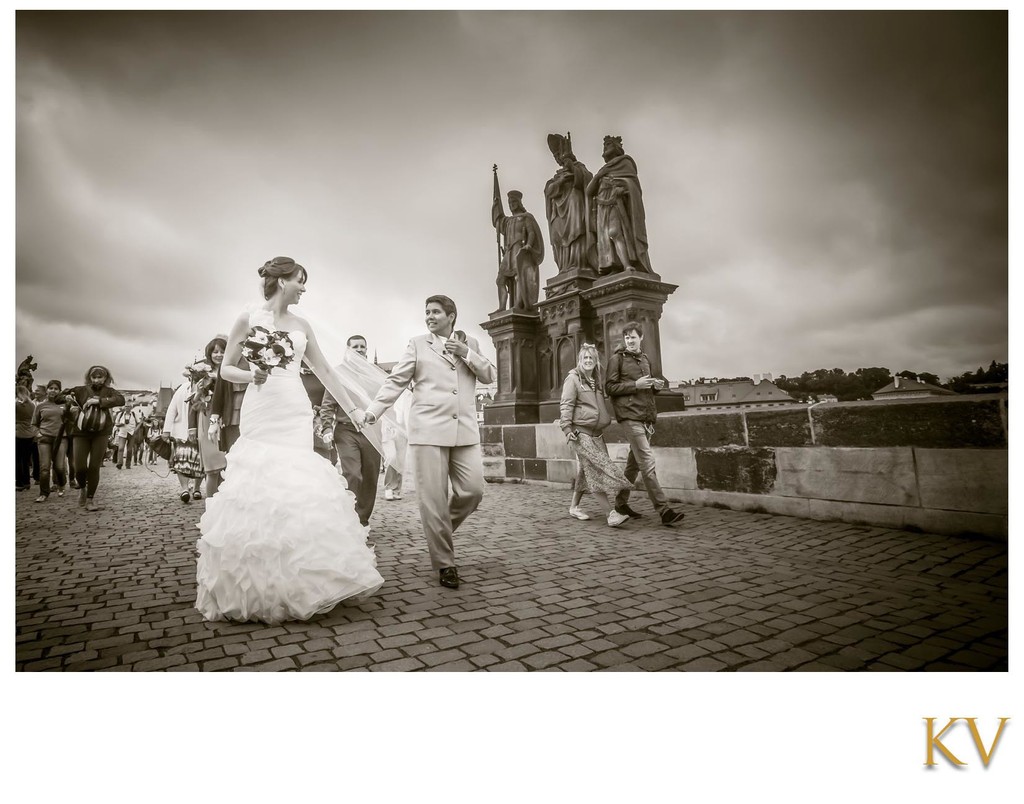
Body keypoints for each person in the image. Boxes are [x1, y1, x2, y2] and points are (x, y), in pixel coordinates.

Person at [195, 256, 383, 623]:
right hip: (261, 405)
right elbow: (226, 368)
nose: (304, 287)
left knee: (297, 478)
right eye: (300, 280)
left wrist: (356, 411)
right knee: (261, 476)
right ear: (282, 281)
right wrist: (254, 376)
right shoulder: (247, 319)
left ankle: (309, 576)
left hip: (294, 407)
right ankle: (261, 580)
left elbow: (326, 370)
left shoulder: (302, 324)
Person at [359, 295, 496, 589]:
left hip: (465, 433)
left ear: (451, 315)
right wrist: (373, 411)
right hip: (427, 432)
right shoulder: (417, 344)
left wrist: (466, 354)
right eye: (427, 313)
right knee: (432, 501)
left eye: (435, 312)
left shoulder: (469, 342)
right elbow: (395, 381)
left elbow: (489, 375)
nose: (429, 317)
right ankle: (445, 563)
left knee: (472, 492)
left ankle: (439, 531)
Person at [605, 322, 685, 526]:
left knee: (633, 464)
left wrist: (655, 386)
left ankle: (620, 504)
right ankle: (664, 510)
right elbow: (610, 387)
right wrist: (635, 385)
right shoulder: (617, 359)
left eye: (633, 337)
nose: (629, 340)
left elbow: (646, 389)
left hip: (646, 416)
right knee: (647, 463)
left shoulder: (645, 359)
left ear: (641, 338)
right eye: (626, 337)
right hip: (629, 416)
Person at [559, 344, 631, 527]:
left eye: (592, 358)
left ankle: (574, 507)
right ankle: (611, 514)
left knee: (586, 471)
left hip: (597, 434)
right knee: (596, 471)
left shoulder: (596, 380)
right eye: (585, 358)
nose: (589, 361)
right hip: (580, 433)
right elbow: (566, 405)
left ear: (596, 361)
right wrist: (567, 429)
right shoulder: (573, 379)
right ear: (580, 361)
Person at [319, 335, 381, 527]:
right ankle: (350, 518)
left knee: (371, 478)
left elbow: (385, 402)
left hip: (371, 433)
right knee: (353, 474)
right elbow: (327, 404)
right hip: (346, 432)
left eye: (363, 346)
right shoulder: (337, 374)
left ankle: (362, 520)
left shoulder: (375, 374)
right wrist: (327, 427)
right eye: (355, 346)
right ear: (348, 350)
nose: (360, 349)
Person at [585, 135, 654, 275]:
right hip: (601, 207)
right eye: (604, 146)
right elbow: (588, 191)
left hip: (615, 204)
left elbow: (632, 185)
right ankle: (613, 266)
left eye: (608, 145)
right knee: (605, 239)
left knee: (615, 233)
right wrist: (598, 176)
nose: (605, 148)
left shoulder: (625, 162)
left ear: (616, 147)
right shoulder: (603, 170)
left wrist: (622, 189)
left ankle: (628, 265)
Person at [65, 365, 125, 511]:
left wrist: (99, 401)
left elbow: (120, 400)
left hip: (101, 432)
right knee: (79, 467)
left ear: (105, 378)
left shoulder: (110, 391)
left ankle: (90, 499)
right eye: (94, 377)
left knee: (94, 467)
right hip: (81, 432)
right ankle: (83, 488)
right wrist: (67, 400)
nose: (97, 379)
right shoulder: (80, 390)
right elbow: (60, 396)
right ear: (89, 378)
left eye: (100, 377)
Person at [545, 133, 595, 274]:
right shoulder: (556, 177)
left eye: (559, 155)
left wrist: (572, 168)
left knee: (576, 232)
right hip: (559, 213)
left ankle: (578, 264)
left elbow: (589, 180)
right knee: (558, 238)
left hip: (575, 207)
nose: (557, 159)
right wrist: (560, 182)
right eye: (555, 157)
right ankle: (565, 267)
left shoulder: (579, 167)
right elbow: (548, 191)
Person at [492, 188, 545, 312]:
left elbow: (532, 233)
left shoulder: (526, 217)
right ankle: (501, 307)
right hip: (509, 252)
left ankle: (518, 304)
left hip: (519, 249)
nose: (511, 205)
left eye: (514, 202)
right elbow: (498, 222)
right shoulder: (508, 221)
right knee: (500, 280)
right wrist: (496, 206)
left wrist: (529, 245)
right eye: (509, 203)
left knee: (518, 277)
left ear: (519, 203)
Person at [193, 337, 228, 497]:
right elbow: (194, 401)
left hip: (226, 419)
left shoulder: (230, 370)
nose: (219, 355)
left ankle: (223, 503)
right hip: (207, 420)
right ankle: (212, 505)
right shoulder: (203, 374)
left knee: (227, 466)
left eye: (222, 351)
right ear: (210, 353)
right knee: (212, 467)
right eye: (215, 352)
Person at [162, 381, 203, 503]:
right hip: (181, 430)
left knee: (199, 461)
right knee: (182, 462)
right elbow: (172, 409)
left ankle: (196, 488)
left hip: (200, 430)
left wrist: (167, 431)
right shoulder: (182, 389)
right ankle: (185, 489)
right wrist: (166, 430)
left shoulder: (206, 386)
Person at [30, 380, 70, 502]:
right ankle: (44, 493)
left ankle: (61, 484)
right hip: (44, 438)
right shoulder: (41, 406)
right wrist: (38, 433)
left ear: (59, 391)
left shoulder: (65, 404)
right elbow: (34, 423)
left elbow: (71, 420)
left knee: (59, 466)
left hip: (61, 439)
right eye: (51, 388)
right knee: (44, 467)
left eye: (56, 388)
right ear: (47, 390)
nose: (53, 390)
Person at [15, 383, 36, 492]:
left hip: (18, 433)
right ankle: (27, 482)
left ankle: (19, 483)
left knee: (17, 459)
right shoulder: (32, 405)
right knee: (26, 460)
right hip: (30, 434)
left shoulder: (16, 405)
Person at [112, 400, 142, 469]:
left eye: (128, 406)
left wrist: (135, 430)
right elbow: (116, 423)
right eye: (125, 406)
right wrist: (120, 424)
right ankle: (119, 463)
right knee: (121, 448)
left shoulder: (134, 414)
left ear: (131, 407)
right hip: (122, 433)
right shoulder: (120, 414)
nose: (127, 408)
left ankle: (128, 464)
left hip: (131, 434)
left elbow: (139, 422)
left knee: (129, 450)